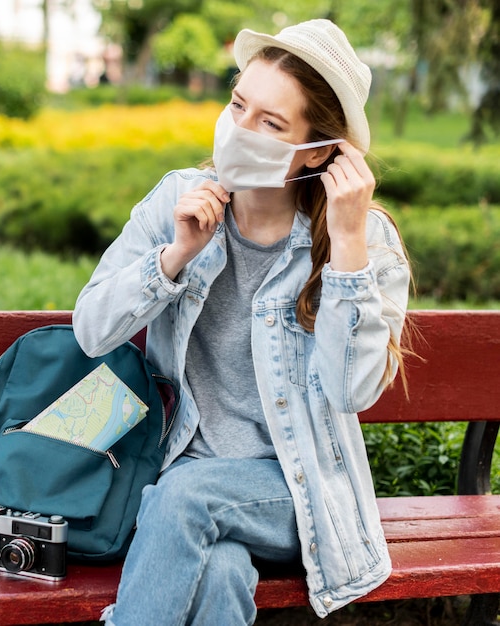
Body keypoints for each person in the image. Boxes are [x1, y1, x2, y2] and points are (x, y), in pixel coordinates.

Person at [73, 18, 411, 626]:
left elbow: (350, 390)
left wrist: (350, 246)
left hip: (298, 486)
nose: (240, 129)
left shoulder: (364, 239)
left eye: (270, 123)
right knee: (221, 570)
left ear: (317, 152)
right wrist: (174, 258)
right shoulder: (177, 199)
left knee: (187, 498)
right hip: (185, 479)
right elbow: (92, 329)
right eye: (238, 105)